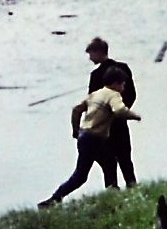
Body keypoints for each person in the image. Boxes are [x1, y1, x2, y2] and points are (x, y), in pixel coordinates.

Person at [39, 66, 141, 208]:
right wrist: (135, 116)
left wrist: (76, 130)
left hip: (85, 136)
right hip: (94, 138)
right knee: (81, 176)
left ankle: (112, 194)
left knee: (109, 162)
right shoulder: (113, 95)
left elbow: (76, 110)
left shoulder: (96, 94)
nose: (124, 87)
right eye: (123, 84)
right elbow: (119, 110)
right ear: (116, 83)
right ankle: (52, 200)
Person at [85, 37, 139, 186]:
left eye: (91, 54)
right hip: (121, 121)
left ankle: (112, 188)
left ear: (99, 52)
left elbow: (93, 102)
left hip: (104, 125)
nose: (90, 58)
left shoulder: (95, 76)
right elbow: (132, 94)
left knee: (108, 162)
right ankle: (132, 186)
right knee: (125, 157)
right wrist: (122, 111)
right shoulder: (124, 67)